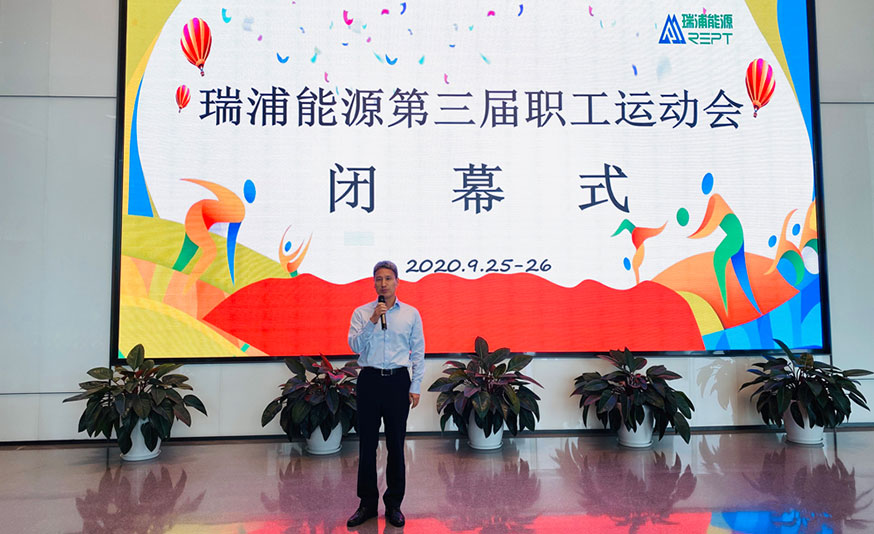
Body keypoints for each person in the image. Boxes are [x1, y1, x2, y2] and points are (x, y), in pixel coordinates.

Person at [346, 260, 425, 528]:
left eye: (388, 278)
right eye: (378, 279)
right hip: (369, 380)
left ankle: (394, 505)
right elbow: (354, 346)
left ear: (397, 282)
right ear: (373, 283)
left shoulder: (411, 314)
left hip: (397, 382)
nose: (383, 283)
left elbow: (418, 352)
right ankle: (367, 504)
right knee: (367, 445)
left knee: (395, 445)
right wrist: (372, 321)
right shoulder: (362, 313)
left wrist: (415, 386)